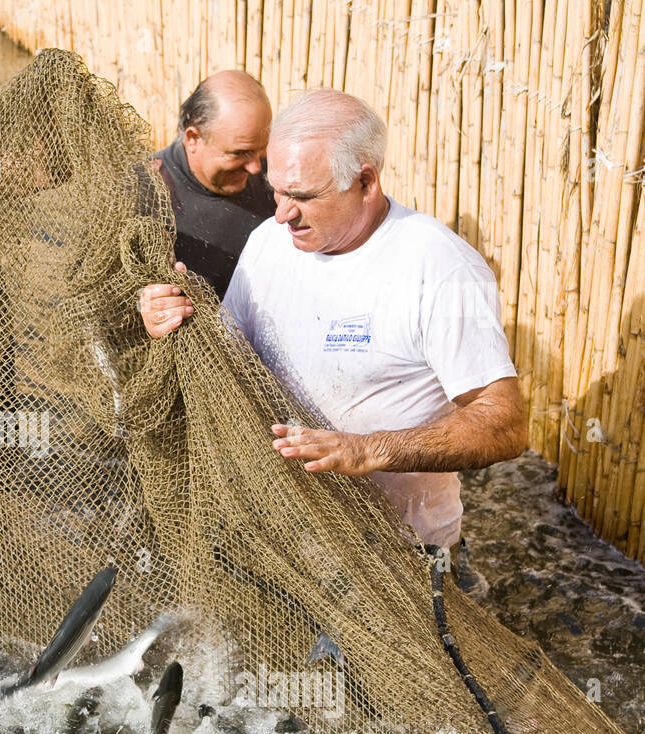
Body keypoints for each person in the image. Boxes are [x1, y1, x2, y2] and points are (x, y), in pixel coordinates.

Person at [138, 89, 525, 553]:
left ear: (366, 183)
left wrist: (366, 449)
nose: (283, 214)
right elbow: (225, 359)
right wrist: (170, 316)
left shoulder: (441, 268)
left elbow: (504, 423)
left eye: (302, 196)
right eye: (277, 192)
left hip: (397, 549)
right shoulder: (269, 242)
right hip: (282, 532)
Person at [153, 71, 275, 299]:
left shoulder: (278, 176)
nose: (256, 168)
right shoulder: (147, 192)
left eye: (261, 150)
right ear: (193, 139)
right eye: (240, 153)